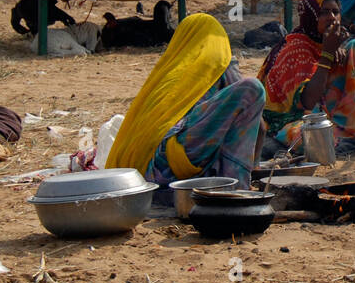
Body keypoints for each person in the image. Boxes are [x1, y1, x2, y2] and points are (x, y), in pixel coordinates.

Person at [105, 14, 265, 187]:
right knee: (252, 88)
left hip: (147, 169)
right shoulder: (217, 62)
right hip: (176, 159)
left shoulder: (168, 70)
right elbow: (259, 122)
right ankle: (237, 188)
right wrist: (254, 166)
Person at [257, 0, 355, 147]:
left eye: (336, 12)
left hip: (323, 115)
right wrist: (327, 55)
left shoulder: (327, 44)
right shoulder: (296, 48)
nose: (332, 17)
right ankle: (340, 134)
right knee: (305, 136)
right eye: (324, 12)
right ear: (311, 17)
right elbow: (307, 104)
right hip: (289, 118)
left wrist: (331, 50)